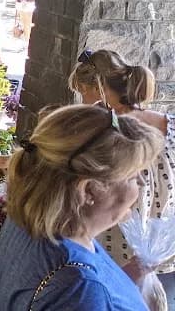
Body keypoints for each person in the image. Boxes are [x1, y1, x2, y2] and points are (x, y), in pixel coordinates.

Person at [0, 104, 163, 311]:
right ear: (89, 190)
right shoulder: (79, 289)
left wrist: (130, 275)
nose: (142, 184)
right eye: (132, 177)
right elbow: (78, 291)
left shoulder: (34, 220)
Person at [69, 49, 175, 302]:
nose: (83, 99)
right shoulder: (169, 123)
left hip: (115, 251)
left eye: (83, 91)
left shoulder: (103, 127)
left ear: (99, 88)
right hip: (166, 250)